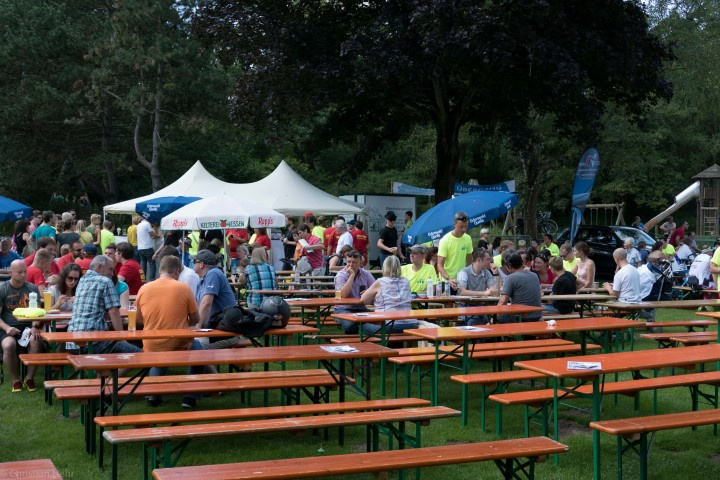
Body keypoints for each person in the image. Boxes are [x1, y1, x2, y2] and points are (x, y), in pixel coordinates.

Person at [135, 255, 204, 408]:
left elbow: (139, 320)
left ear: (160, 270)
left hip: (151, 343)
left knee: (160, 353)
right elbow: (195, 318)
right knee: (200, 351)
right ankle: (190, 396)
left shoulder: (144, 288)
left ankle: (153, 394)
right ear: (177, 271)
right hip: (177, 342)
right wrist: (182, 321)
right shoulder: (183, 288)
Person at [67, 255, 142, 355]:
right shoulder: (105, 281)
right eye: (110, 269)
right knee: (139, 354)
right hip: (93, 342)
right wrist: (122, 338)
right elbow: (114, 311)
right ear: (99, 267)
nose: (112, 274)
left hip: (72, 343)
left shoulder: (82, 280)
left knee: (113, 355)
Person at [0, 260, 43, 392]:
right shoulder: (3, 289)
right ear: (10, 272)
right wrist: (7, 328)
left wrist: (35, 326)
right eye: (19, 272)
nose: (23, 275)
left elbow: (37, 312)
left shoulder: (32, 288)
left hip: (28, 326)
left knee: (35, 340)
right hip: (8, 327)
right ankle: (16, 380)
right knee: (8, 345)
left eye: (25, 271)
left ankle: (29, 378)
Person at [193, 249, 241, 349]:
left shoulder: (213, 273)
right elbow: (198, 306)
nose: (192, 264)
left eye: (194, 261)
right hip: (215, 329)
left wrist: (197, 327)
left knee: (192, 345)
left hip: (226, 332)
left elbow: (206, 303)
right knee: (183, 341)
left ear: (201, 264)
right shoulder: (202, 281)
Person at [360, 256, 419, 334]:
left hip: (389, 324)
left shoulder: (380, 282)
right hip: (410, 323)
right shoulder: (406, 281)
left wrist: (374, 297)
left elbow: (363, 300)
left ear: (384, 267)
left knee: (363, 327)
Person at [333, 250, 376, 333]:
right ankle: (353, 341)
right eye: (349, 262)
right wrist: (352, 276)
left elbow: (376, 290)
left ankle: (368, 340)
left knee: (378, 320)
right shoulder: (341, 275)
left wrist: (369, 292)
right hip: (343, 309)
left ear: (360, 264)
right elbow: (344, 294)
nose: (351, 264)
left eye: (354, 262)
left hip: (360, 308)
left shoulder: (366, 274)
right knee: (350, 325)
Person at [497, 253, 542, 323]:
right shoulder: (534, 275)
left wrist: (493, 319)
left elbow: (503, 301)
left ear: (509, 266)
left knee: (496, 317)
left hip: (520, 318)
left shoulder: (511, 277)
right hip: (537, 316)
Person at [456, 249, 497, 325]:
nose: (490, 262)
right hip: (465, 307)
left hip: (481, 307)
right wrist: (484, 293)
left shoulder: (487, 272)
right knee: (475, 322)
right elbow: (462, 292)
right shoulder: (464, 272)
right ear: (479, 260)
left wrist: (495, 273)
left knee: (495, 321)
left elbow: (495, 291)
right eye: (487, 259)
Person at [437, 211, 473, 294]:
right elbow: (439, 265)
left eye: (466, 226)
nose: (464, 229)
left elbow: (469, 261)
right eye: (461, 227)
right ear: (454, 224)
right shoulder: (445, 240)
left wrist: (470, 276)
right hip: (447, 281)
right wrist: (448, 279)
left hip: (462, 280)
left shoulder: (468, 238)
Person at [137, 218, 161, 282]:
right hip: (147, 247)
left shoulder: (139, 225)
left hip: (140, 247)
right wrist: (157, 236)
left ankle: (143, 279)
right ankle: (152, 279)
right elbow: (152, 234)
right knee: (152, 263)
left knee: (143, 264)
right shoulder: (147, 224)